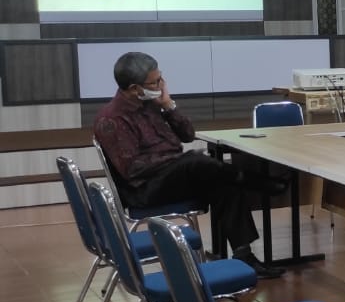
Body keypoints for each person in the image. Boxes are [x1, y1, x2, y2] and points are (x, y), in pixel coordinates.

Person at [93, 52, 281, 278]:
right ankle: (252, 180)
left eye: (161, 79)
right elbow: (133, 168)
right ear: (134, 88)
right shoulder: (112, 119)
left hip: (173, 176)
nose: (161, 85)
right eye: (155, 82)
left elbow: (188, 135)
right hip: (144, 189)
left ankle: (244, 256)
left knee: (223, 181)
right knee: (195, 162)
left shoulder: (151, 104)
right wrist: (179, 161)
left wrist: (168, 105)